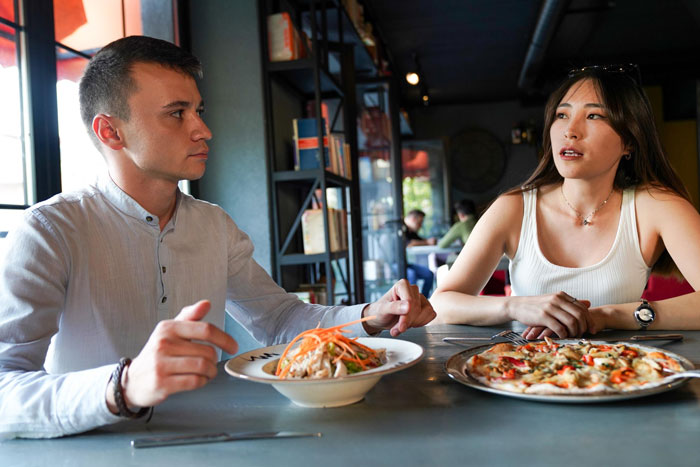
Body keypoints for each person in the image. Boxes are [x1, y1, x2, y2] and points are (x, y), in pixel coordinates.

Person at [0, 36, 435, 439]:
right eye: (176, 113)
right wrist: (123, 385)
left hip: (210, 438)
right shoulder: (47, 232)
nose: (203, 130)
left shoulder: (213, 225)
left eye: (198, 111)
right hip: (91, 451)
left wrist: (369, 316)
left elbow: (280, 320)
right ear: (110, 131)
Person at [431, 64, 700, 340]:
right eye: (562, 115)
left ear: (629, 141)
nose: (570, 130)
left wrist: (607, 316)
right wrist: (515, 306)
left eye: (593, 115)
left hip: (623, 374)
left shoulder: (656, 206)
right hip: (526, 374)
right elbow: (440, 305)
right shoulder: (514, 207)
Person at [404, 209, 436, 297]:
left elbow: (420, 240)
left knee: (429, 274)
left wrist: (428, 241)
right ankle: (412, 301)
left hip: (405, 264)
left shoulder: (411, 231)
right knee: (411, 274)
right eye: (420, 223)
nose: (420, 226)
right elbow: (409, 244)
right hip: (394, 265)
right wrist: (427, 242)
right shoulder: (401, 228)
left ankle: (423, 299)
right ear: (413, 219)